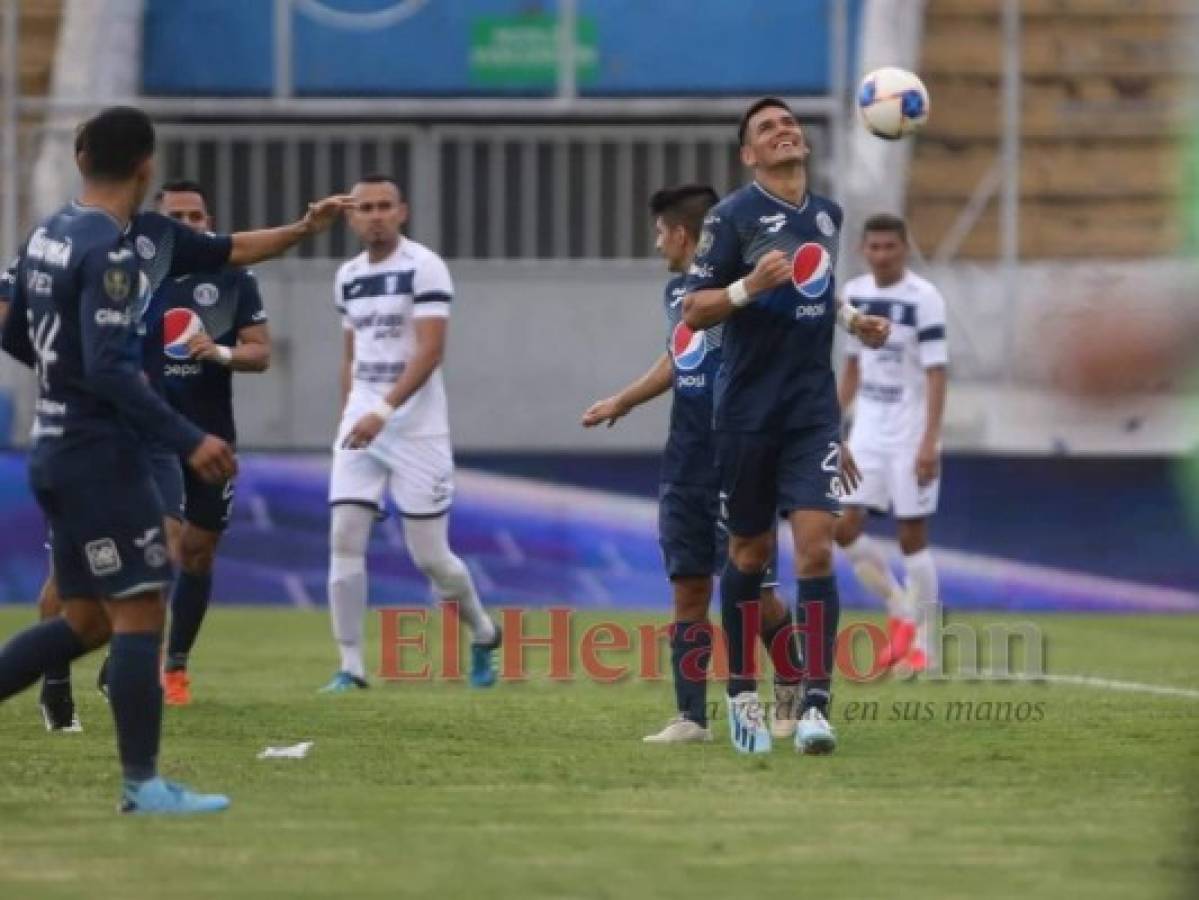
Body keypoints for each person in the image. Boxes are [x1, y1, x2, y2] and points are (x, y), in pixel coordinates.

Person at [0, 106, 347, 813]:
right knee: (137, 610)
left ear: (80, 156)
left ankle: (137, 778)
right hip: (101, 452)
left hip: (58, 445)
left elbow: (15, 334)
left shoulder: (49, 235)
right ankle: (142, 786)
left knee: (85, 622)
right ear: (146, 167)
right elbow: (107, 368)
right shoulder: (111, 254)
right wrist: (188, 436)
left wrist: (304, 229)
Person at [582, 184, 889, 745]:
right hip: (686, 458)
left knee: (758, 587)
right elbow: (681, 356)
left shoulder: (753, 292)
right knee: (688, 586)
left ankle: (793, 681)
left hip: (740, 447)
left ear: (682, 234)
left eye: (660, 233)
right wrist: (623, 400)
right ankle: (690, 717)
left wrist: (821, 434)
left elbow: (798, 338)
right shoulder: (682, 294)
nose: (657, 245)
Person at [682, 98, 871, 754]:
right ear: (749, 154)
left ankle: (816, 706)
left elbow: (819, 287)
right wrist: (746, 289)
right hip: (743, 412)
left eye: (789, 123)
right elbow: (693, 310)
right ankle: (741, 695)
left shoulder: (827, 214)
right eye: (767, 128)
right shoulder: (729, 218)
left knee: (816, 547)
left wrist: (853, 323)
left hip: (810, 410)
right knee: (748, 555)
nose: (784, 130)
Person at [322, 174, 500, 693]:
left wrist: (383, 409)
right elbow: (351, 357)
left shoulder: (424, 266)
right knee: (344, 538)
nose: (374, 215)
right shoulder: (347, 276)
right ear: (352, 217)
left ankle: (484, 632)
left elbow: (429, 352)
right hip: (362, 421)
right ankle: (351, 667)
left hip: (417, 425)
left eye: (384, 206)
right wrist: (350, 415)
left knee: (430, 557)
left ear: (402, 212)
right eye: (365, 207)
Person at [835, 214, 948, 674]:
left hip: (910, 432)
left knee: (912, 540)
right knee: (840, 528)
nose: (882, 254)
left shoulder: (925, 299)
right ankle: (900, 608)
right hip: (867, 430)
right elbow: (854, 367)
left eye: (890, 246)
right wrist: (831, 424)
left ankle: (927, 643)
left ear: (904, 248)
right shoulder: (856, 294)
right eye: (874, 247)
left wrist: (930, 442)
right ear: (864, 249)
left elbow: (937, 373)